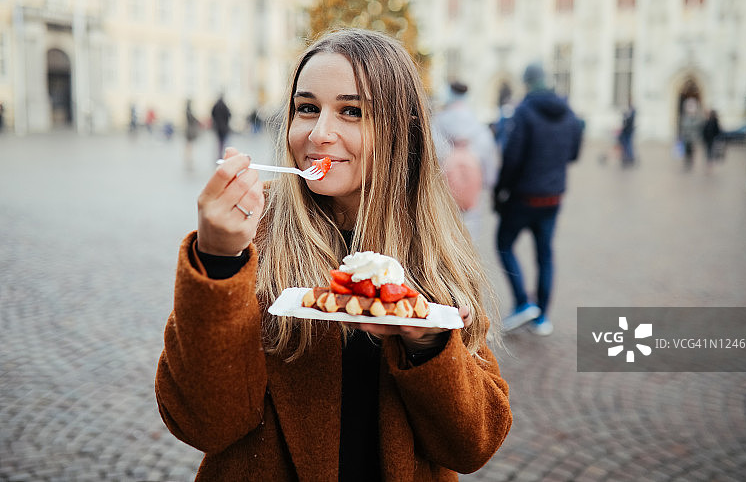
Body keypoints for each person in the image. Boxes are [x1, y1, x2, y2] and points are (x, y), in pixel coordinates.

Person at [155, 28, 512, 481]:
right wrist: (219, 261)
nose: (320, 133)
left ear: (401, 130)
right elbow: (204, 424)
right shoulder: (251, 231)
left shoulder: (433, 245)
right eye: (307, 109)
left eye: (351, 111)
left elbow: (472, 445)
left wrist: (428, 344)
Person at [493, 63, 583, 336]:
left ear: (528, 82)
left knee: (504, 244)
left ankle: (522, 302)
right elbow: (573, 155)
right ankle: (542, 317)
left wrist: (500, 191)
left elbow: (512, 158)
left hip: (523, 197)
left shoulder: (524, 111)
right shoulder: (569, 113)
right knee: (545, 255)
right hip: (553, 198)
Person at [432, 81, 498, 241]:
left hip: (443, 195)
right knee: (469, 239)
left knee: (444, 238)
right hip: (471, 197)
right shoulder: (477, 125)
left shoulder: (437, 123)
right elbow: (489, 165)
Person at [679, 97, 704, 171]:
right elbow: (682, 128)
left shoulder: (697, 118)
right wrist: (681, 136)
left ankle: (691, 163)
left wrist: (698, 137)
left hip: (693, 138)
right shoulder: (684, 117)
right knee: (686, 151)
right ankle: (687, 162)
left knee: (692, 152)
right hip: (686, 138)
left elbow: (699, 128)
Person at [211, 94, 232, 160]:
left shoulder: (216, 105)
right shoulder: (225, 106)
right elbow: (229, 114)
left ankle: (219, 155)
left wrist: (215, 121)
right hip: (224, 127)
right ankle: (225, 155)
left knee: (219, 142)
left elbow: (212, 113)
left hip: (217, 127)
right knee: (224, 142)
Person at [184, 99, 201, 170]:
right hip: (190, 131)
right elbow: (194, 120)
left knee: (189, 144)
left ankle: (188, 157)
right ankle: (188, 157)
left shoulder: (187, 111)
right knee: (189, 145)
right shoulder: (189, 112)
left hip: (188, 130)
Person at [618, 103, 636, 167]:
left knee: (628, 145)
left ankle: (629, 156)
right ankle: (628, 156)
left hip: (628, 132)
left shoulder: (630, 117)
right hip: (627, 132)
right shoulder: (629, 117)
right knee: (627, 145)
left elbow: (626, 124)